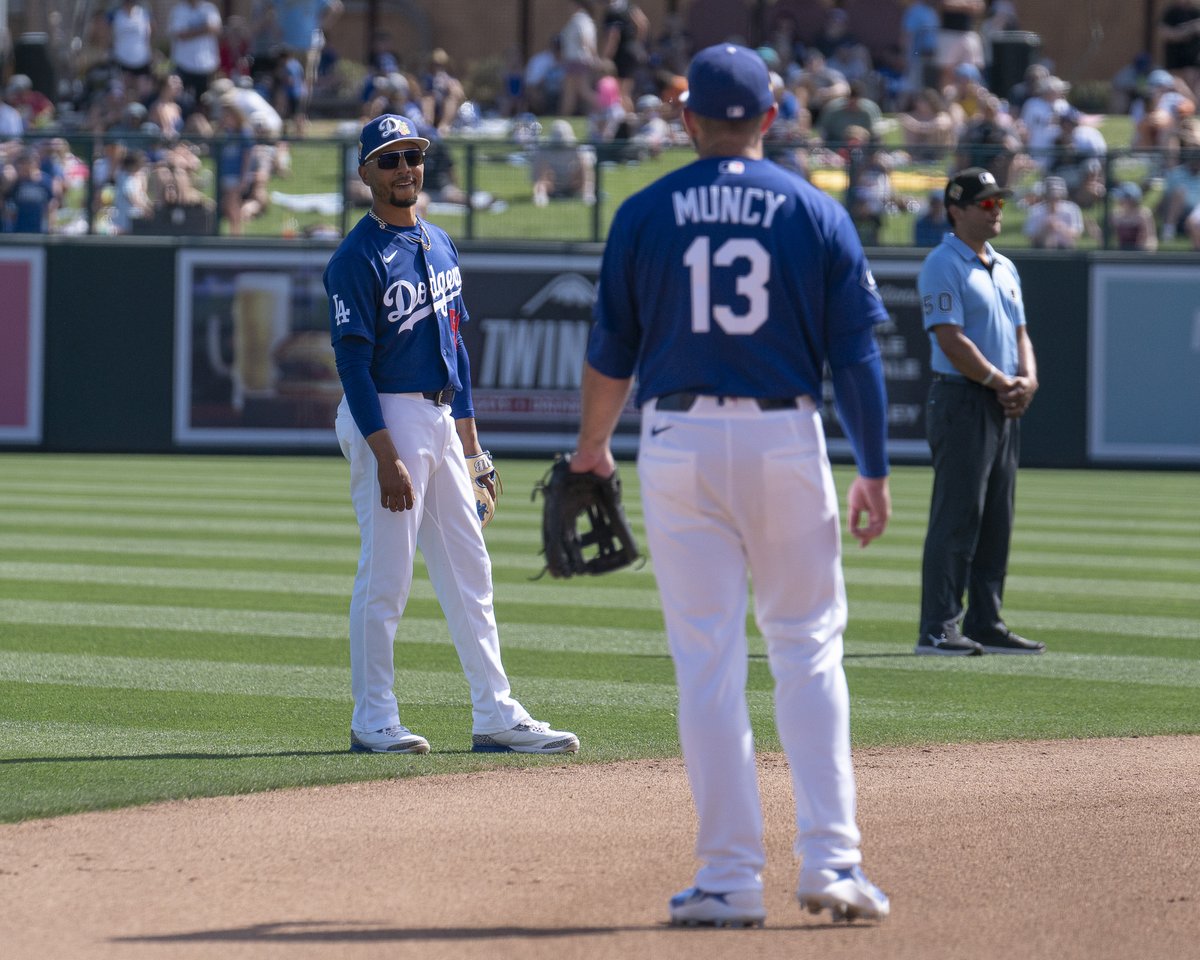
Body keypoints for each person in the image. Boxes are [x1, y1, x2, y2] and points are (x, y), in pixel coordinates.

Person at [571, 43, 892, 927]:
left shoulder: (644, 211)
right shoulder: (814, 210)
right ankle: (832, 863)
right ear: (773, 115)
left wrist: (590, 448)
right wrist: (872, 467)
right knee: (808, 647)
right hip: (786, 435)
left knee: (708, 662)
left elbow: (610, 354)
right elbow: (856, 354)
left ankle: (727, 879)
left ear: (686, 120)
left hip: (676, 438)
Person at [323, 114, 580, 757]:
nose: (405, 167)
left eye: (413, 155)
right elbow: (352, 362)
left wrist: (473, 450)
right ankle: (372, 718)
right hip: (386, 412)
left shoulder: (439, 242)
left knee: (471, 571)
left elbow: (456, 355)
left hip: (438, 418)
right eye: (389, 159)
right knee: (387, 577)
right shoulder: (356, 257)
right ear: (366, 175)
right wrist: (385, 455)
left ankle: (495, 713)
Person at [916, 167, 1043, 656]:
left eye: (999, 203)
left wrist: (1026, 380)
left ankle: (986, 619)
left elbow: (1020, 335)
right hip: (961, 399)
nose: (997, 211)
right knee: (957, 515)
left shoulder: (1005, 266)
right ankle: (937, 626)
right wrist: (998, 380)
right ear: (956, 209)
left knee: (997, 518)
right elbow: (950, 339)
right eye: (986, 203)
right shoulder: (942, 264)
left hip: (1003, 402)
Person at [168, 0, 222, 112]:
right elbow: (181, 34)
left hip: (206, 66)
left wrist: (192, 32)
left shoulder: (209, 8)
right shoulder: (179, 10)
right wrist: (204, 29)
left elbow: (216, 29)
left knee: (205, 105)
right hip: (183, 65)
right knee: (181, 103)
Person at [531, 118, 596, 206]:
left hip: (571, 182)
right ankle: (540, 195)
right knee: (543, 173)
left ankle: (587, 194)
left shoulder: (578, 150)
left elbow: (589, 164)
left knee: (583, 164)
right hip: (551, 184)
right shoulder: (543, 151)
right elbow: (536, 176)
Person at [1022, 175, 1084, 249]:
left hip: (1065, 249)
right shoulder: (1035, 210)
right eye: (1050, 196)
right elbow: (1030, 237)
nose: (1053, 199)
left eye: (1056, 197)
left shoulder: (1072, 209)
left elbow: (1077, 234)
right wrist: (1045, 229)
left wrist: (1060, 227)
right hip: (1041, 248)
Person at [1110, 181, 1157, 251]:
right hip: (1121, 255)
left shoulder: (1143, 215)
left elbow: (1151, 241)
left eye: (1122, 198)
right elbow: (1111, 241)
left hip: (1139, 256)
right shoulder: (1115, 215)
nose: (1119, 200)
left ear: (1132, 200)